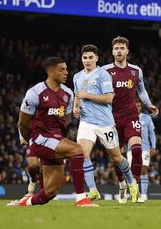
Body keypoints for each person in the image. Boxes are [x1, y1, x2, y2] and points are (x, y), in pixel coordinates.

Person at [8, 57, 96, 207]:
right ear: (50, 71)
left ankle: (22, 204)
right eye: (62, 69)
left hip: (56, 140)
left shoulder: (68, 94)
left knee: (50, 192)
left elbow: (65, 119)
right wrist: (32, 140)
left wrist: (56, 139)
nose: (66, 72)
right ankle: (81, 198)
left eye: (67, 69)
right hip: (40, 138)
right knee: (78, 150)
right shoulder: (35, 93)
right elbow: (22, 123)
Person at [73, 44, 139, 203]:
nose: (87, 61)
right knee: (82, 154)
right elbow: (78, 95)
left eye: (90, 57)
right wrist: (75, 108)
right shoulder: (77, 76)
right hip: (86, 122)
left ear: (96, 58)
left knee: (117, 157)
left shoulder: (103, 75)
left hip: (105, 123)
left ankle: (131, 182)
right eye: (85, 58)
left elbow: (109, 98)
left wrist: (87, 95)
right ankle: (93, 190)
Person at [102, 36, 159, 204]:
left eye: (122, 48)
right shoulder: (104, 71)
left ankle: (134, 186)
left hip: (131, 115)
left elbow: (141, 90)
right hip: (111, 118)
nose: (119, 51)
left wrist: (149, 105)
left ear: (127, 51)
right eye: (116, 48)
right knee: (116, 156)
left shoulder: (136, 71)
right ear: (112, 52)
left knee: (136, 148)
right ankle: (121, 185)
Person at [127, 100, 156, 203]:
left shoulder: (147, 118)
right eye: (135, 106)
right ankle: (134, 193)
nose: (137, 107)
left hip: (144, 148)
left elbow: (151, 133)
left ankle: (143, 194)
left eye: (139, 106)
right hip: (131, 148)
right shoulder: (128, 118)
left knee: (143, 170)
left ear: (141, 107)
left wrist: (153, 147)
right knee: (131, 171)